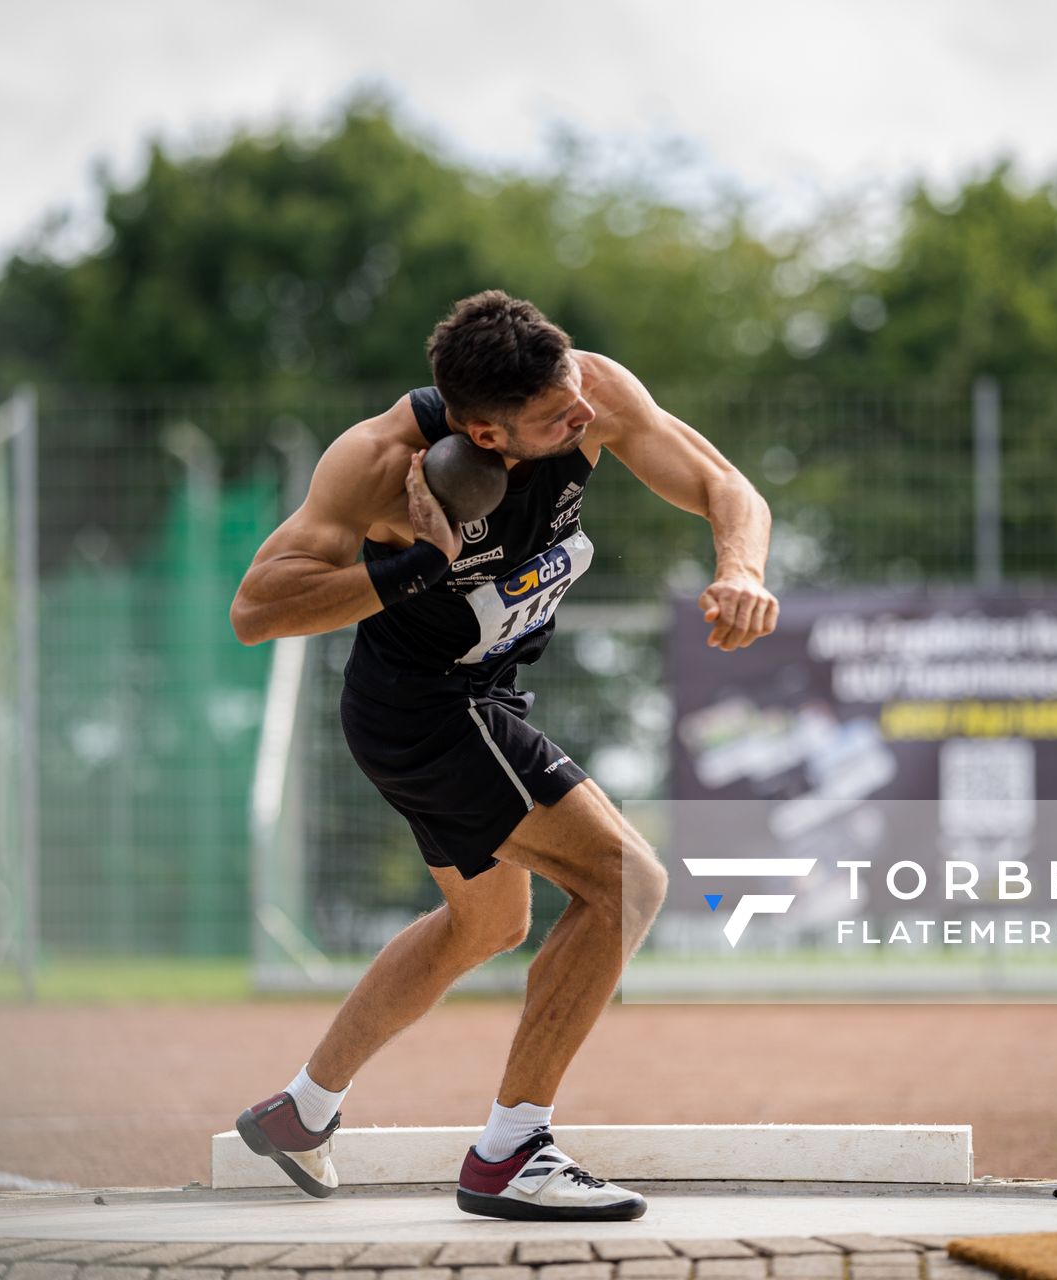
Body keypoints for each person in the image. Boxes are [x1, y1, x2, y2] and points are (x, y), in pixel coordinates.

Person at [227, 291, 778, 1222]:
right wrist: (410, 568)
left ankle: (303, 1112)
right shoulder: (375, 461)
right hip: (422, 706)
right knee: (625, 880)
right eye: (555, 418)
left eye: (574, 392)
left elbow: (730, 487)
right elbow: (258, 610)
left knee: (485, 925)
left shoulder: (592, 389)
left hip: (479, 696)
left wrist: (741, 570)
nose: (582, 418)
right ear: (484, 432)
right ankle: (511, 1152)